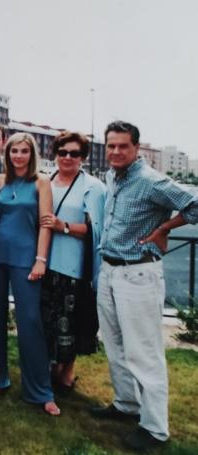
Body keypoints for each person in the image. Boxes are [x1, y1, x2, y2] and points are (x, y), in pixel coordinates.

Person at [90, 121, 198, 451]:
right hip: (109, 269)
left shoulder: (152, 181)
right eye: (111, 146)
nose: (116, 152)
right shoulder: (113, 176)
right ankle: (126, 404)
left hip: (138, 275)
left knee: (144, 353)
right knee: (114, 343)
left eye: (123, 146)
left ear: (136, 148)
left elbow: (194, 205)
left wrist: (165, 227)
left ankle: (155, 429)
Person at [0, 132, 60, 416]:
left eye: (23, 151)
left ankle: (39, 390)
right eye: (14, 151)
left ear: (32, 154)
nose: (18, 156)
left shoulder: (41, 182)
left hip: (27, 258)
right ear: (7, 154)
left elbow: (45, 223)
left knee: (30, 322)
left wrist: (40, 259)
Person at [38, 131, 106, 391]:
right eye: (62, 152)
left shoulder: (93, 187)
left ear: (83, 158)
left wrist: (62, 226)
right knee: (46, 322)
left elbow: (96, 229)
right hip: (45, 262)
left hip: (74, 267)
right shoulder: (45, 181)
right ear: (55, 154)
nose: (67, 157)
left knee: (70, 323)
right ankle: (49, 370)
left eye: (74, 153)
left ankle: (65, 373)